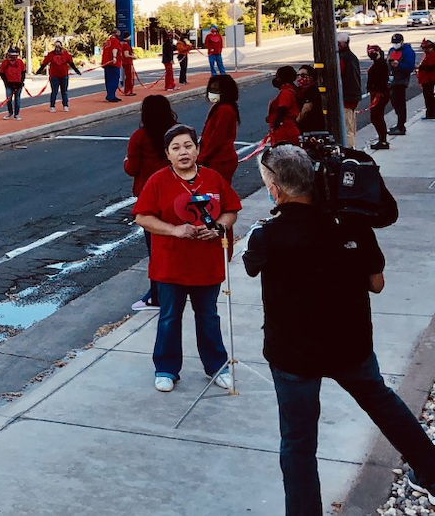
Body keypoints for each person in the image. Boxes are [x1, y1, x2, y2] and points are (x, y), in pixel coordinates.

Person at [243, 144, 435, 515]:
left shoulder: (266, 234)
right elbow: (377, 284)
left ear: (275, 189)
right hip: (351, 345)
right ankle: (430, 469)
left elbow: (251, 265)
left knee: (298, 443)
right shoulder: (350, 223)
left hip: (293, 355)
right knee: (383, 403)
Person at [133, 124, 240, 392]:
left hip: (207, 264)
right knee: (169, 317)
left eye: (188, 146)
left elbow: (231, 210)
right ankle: (166, 369)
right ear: (167, 154)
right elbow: (142, 217)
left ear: (198, 149)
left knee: (208, 316)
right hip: (171, 265)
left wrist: (217, 227)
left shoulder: (213, 178)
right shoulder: (157, 181)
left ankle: (217, 367)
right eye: (176, 148)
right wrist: (174, 230)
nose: (183, 152)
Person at [124, 95, 177, 312]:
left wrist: (126, 162)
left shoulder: (140, 136)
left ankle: (156, 295)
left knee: (155, 248)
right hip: (175, 193)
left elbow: (131, 168)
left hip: (149, 198)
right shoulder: (177, 133)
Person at [198, 74, 241, 185]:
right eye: (212, 89)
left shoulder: (224, 110)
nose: (213, 93)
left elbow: (216, 138)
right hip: (216, 159)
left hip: (219, 160)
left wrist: (202, 158)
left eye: (217, 90)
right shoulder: (219, 107)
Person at [37, 41, 81, 112]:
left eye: (59, 46)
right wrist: (39, 71)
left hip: (64, 76)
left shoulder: (65, 54)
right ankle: (52, 106)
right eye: (56, 46)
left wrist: (76, 71)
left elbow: (71, 63)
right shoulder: (51, 54)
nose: (57, 48)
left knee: (64, 92)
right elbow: (45, 63)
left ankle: (65, 105)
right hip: (54, 76)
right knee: (54, 92)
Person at [387, 33, 416, 136]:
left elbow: (410, 66)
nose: (395, 45)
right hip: (392, 80)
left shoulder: (408, 52)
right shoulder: (392, 50)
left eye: (397, 43)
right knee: (394, 102)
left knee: (400, 103)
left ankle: (401, 126)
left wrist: (399, 65)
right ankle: (399, 124)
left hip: (401, 81)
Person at [338, 33, 363, 146]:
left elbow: (339, 76)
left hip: (346, 96)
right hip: (353, 95)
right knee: (351, 125)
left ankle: (350, 149)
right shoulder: (352, 57)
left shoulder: (342, 59)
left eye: (339, 43)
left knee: (347, 127)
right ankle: (352, 146)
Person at [267, 66, 302, 146]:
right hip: (286, 128)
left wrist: (275, 125)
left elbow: (282, 110)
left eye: (277, 77)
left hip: (285, 130)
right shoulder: (291, 90)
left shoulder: (286, 92)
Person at [366, 44, 392, 150]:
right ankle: (382, 139)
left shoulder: (380, 64)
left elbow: (381, 80)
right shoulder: (378, 63)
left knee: (377, 117)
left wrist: (375, 90)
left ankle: (383, 140)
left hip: (379, 94)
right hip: (377, 93)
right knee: (376, 117)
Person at [293, 65, 325, 135]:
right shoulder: (299, 91)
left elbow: (307, 109)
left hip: (313, 128)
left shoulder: (312, 90)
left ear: (311, 77)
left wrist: (295, 123)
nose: (300, 78)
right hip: (302, 128)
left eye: (303, 75)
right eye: (298, 75)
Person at [0, 47, 26, 120]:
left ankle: (16, 114)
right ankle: (10, 112)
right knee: (8, 99)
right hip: (9, 84)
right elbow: (2, 73)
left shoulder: (20, 62)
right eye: (11, 56)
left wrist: (22, 82)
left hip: (18, 84)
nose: (13, 58)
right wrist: (6, 83)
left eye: (14, 56)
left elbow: (23, 73)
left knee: (17, 99)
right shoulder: (5, 63)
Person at [101, 29, 123, 102]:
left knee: (108, 80)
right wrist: (114, 57)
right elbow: (115, 49)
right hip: (114, 63)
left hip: (107, 63)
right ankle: (111, 96)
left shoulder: (107, 41)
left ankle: (111, 94)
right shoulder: (115, 41)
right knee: (114, 79)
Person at [417, 38, 435, 120]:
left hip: (429, 79)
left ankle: (431, 113)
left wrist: (421, 67)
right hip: (426, 79)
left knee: (429, 97)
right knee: (428, 97)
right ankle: (430, 112)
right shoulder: (427, 55)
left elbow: (431, 67)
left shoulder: (432, 55)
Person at [120, 32, 137, 96]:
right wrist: (133, 56)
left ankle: (129, 90)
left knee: (129, 77)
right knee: (129, 77)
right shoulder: (126, 45)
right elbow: (126, 55)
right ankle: (128, 91)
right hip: (127, 63)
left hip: (127, 62)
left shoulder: (124, 44)